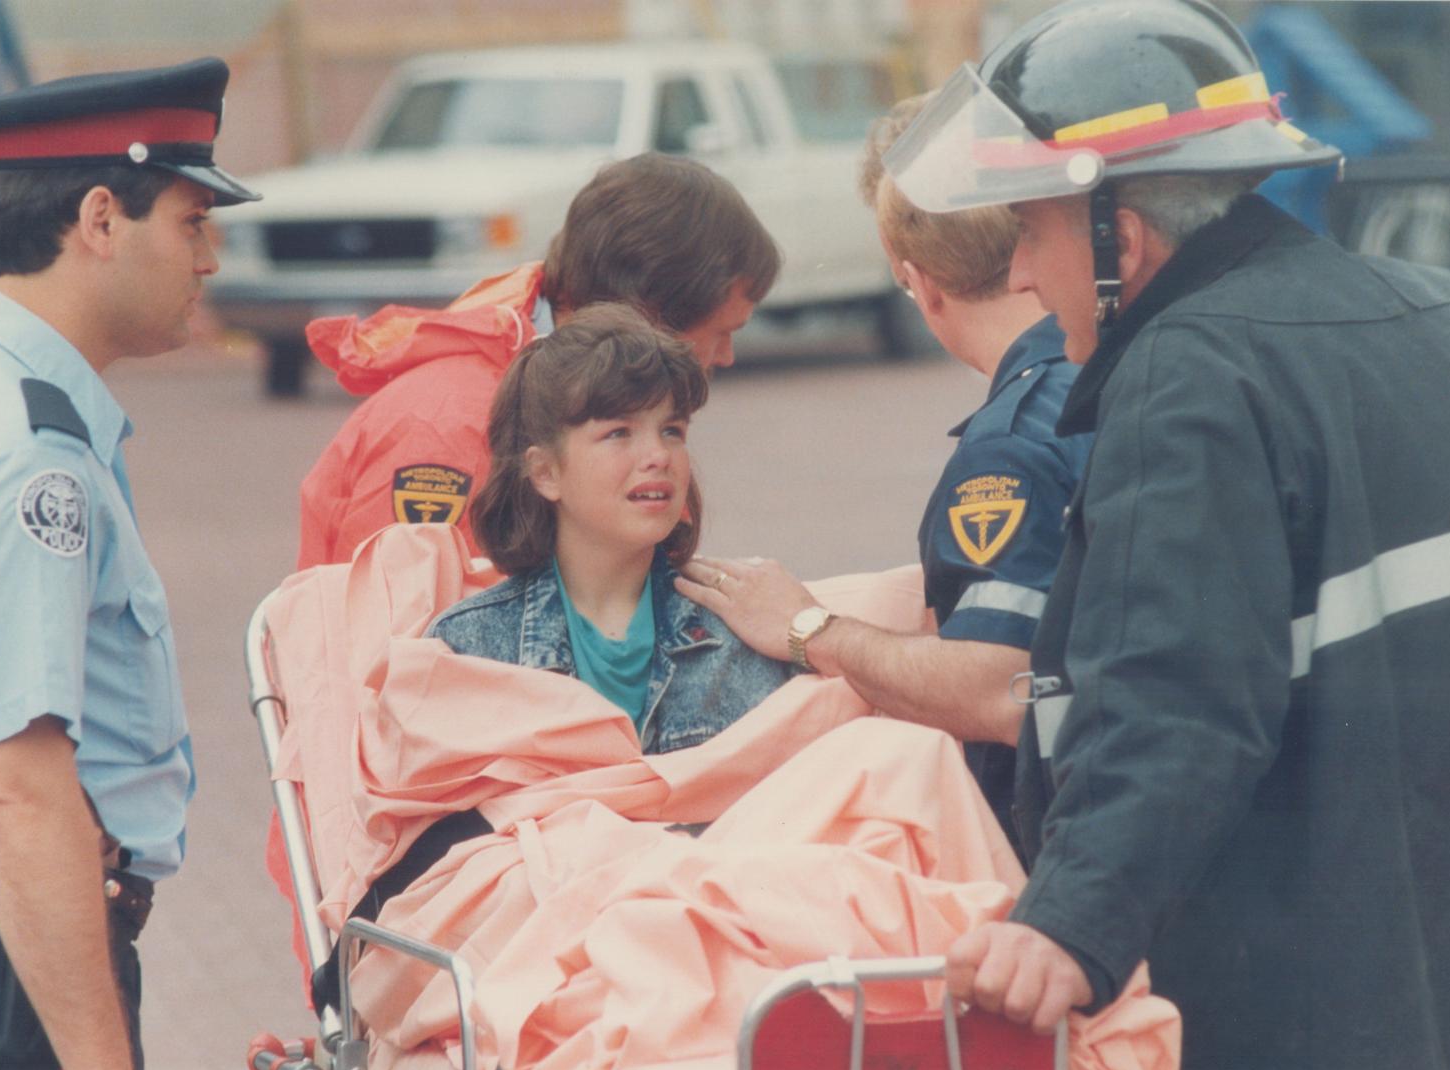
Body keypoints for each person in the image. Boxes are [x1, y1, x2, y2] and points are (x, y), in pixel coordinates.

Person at [881, 0, 1450, 1070]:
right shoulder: (1447, 313)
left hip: (1299, 1008)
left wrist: (1068, 923)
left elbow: (1173, 697)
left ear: (1122, 233)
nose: (1016, 273)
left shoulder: (1188, 379)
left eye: (1026, 229)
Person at [0, 59, 260, 1070]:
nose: (208, 259)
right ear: (98, 219)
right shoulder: (23, 447)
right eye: (190, 222)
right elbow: (19, 790)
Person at [675, 94, 1090, 859]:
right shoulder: (1108, 369)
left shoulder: (1011, 445)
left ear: (918, 280)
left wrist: (810, 629)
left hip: (1064, 837)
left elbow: (1001, 689)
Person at [295, 153, 779, 570]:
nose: (726, 357)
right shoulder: (451, 426)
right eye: (721, 332)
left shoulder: (594, 401)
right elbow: (399, 649)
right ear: (650, 313)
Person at [426, 305, 792, 753]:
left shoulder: (738, 633)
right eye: (619, 432)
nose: (658, 455)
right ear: (545, 473)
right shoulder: (468, 646)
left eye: (672, 430)